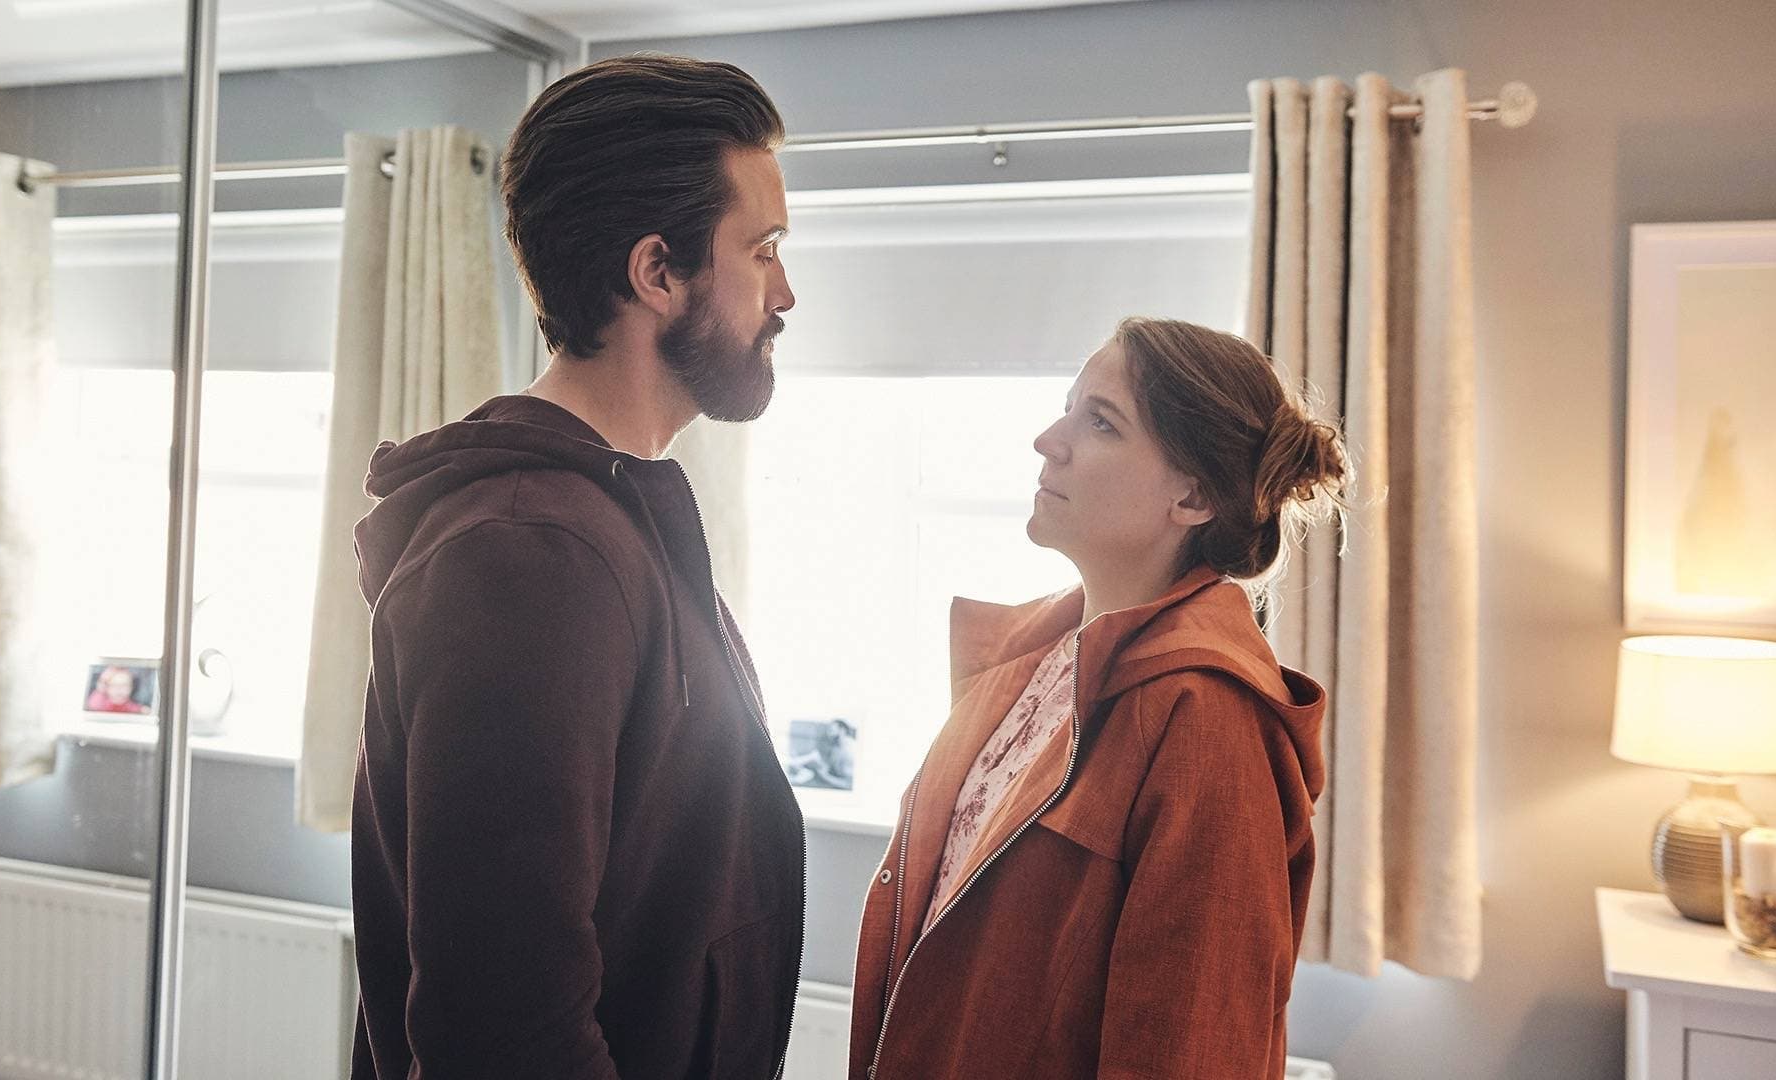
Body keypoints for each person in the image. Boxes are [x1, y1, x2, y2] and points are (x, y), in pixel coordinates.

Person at [348, 54, 804, 1080]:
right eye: (763, 249)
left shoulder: (605, 519)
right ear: (656, 272)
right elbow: (504, 1028)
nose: (785, 292)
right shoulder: (528, 557)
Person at [849, 317, 1343, 1079]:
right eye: (1068, 409)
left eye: (1102, 423)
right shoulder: (1034, 660)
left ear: (1193, 495)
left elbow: (1193, 1051)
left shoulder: (1208, 718)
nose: (1049, 440)